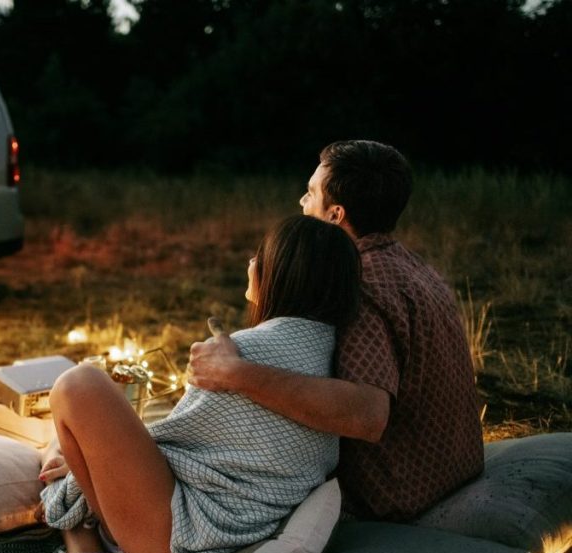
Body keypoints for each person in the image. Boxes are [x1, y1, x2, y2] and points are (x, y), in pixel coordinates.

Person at [22, 215, 361, 553]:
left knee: (78, 386)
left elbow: (170, 445)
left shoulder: (242, 353)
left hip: (180, 536)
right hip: (239, 525)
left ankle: (87, 547)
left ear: (280, 273)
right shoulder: (331, 362)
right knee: (64, 447)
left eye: (259, 256)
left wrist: (83, 466)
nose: (250, 264)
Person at [188, 140, 485, 522]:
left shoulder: (359, 284)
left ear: (334, 215)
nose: (301, 201)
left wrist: (236, 373)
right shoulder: (410, 267)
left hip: (396, 492)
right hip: (451, 467)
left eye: (311, 194)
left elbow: (367, 415)